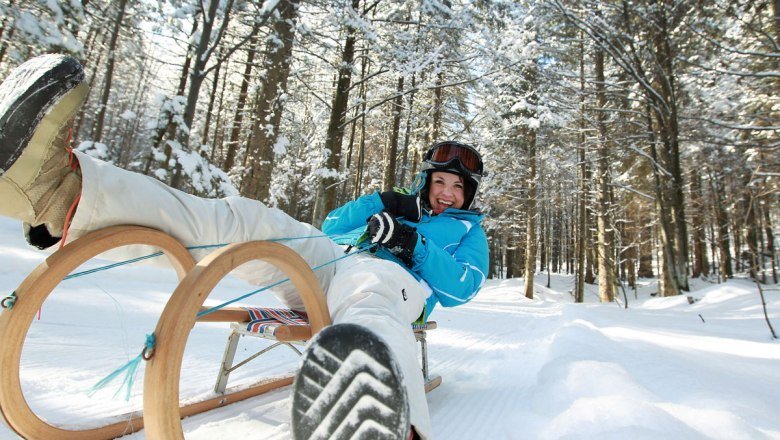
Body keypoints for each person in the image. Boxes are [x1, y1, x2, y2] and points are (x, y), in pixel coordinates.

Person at [0, 55, 489, 440]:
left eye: (457, 187)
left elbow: (463, 288)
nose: (447, 193)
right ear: (426, 181)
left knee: (373, 288)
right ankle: (59, 193)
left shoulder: (469, 233)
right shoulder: (396, 201)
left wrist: (412, 245)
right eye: (440, 181)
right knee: (248, 220)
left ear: (468, 196)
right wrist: (379, 205)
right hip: (333, 266)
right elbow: (331, 227)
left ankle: (381, 416)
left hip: (395, 287)